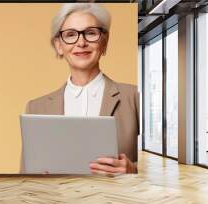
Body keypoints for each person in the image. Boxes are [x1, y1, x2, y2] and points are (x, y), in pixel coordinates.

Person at [25, 3, 139, 174]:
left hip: (116, 200)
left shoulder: (135, 98)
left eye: (90, 33)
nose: (81, 42)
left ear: (104, 41)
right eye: (70, 35)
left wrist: (133, 171)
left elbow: (164, 171)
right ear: (58, 45)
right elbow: (24, 178)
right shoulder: (36, 108)